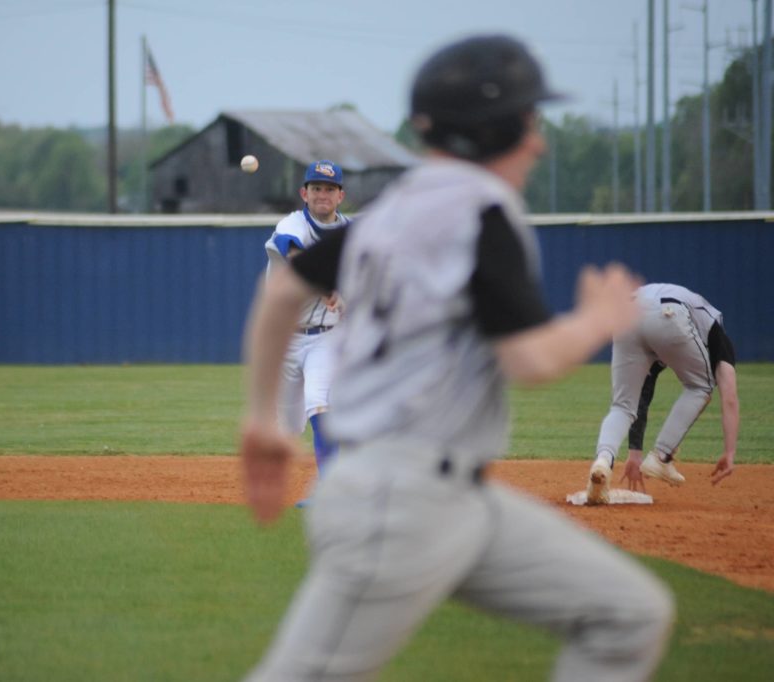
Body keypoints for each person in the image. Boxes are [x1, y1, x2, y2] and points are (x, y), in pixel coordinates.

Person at [238, 35, 673, 682]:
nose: (538, 141)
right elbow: (529, 361)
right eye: (529, 120)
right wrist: (596, 320)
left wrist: (260, 418)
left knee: (629, 614)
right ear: (492, 128)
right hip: (397, 501)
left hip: (453, 498)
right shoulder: (484, 215)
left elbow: (281, 295)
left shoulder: (393, 209)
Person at [586, 283, 739, 504]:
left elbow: (643, 391)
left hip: (625, 313)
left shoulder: (669, 341)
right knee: (700, 387)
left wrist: (635, 453)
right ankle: (661, 457)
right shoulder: (716, 334)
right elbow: (730, 398)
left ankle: (603, 460)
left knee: (621, 406)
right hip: (669, 312)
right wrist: (730, 452)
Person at [263, 160, 350, 496]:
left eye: (329, 189)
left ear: (341, 195)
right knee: (287, 425)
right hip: (286, 336)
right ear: (304, 193)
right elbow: (296, 256)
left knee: (319, 403)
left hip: (325, 337)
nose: (322, 194)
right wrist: (327, 287)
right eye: (316, 188)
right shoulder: (292, 224)